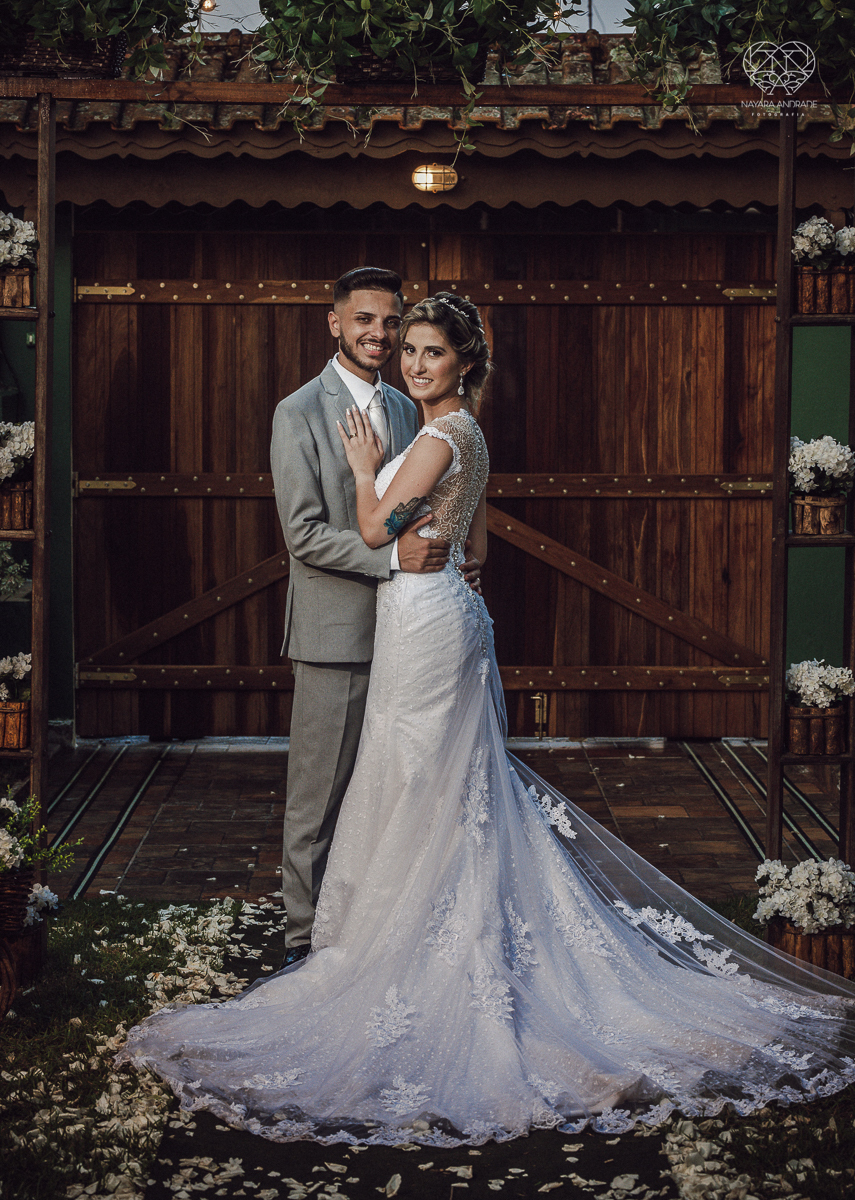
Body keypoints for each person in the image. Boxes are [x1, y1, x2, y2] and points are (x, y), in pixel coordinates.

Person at [119, 294, 855, 1147]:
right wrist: (440, 548)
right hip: (432, 612)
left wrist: (363, 470)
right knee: (434, 779)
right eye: (411, 350)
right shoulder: (453, 432)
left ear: (465, 362)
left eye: (432, 351)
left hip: (424, 623)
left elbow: (369, 523)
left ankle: (426, 947)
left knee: (424, 779)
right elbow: (452, 536)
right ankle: (402, 930)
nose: (413, 363)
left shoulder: (439, 433)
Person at [269, 267, 480, 967]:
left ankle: (374, 931)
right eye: (365, 321)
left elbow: (437, 498)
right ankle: (305, 942)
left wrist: (455, 551)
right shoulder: (298, 411)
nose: (382, 336)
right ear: (334, 323)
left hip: (413, 636)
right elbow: (302, 534)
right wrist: (396, 561)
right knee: (319, 801)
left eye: (392, 323)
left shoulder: (408, 404)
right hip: (338, 634)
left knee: (398, 793)